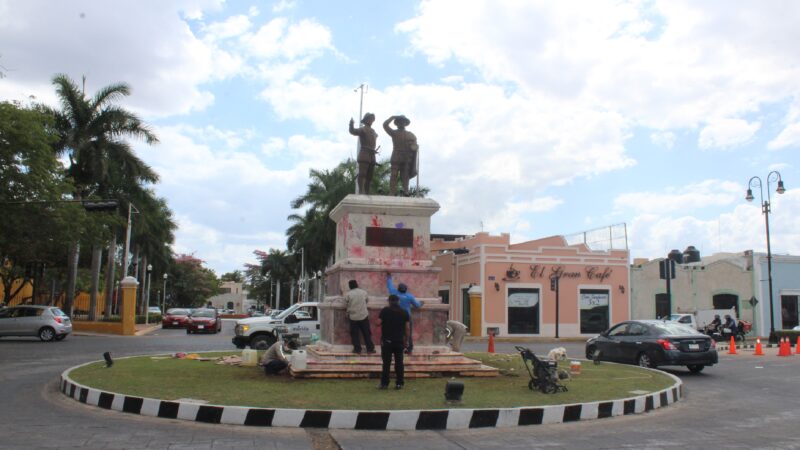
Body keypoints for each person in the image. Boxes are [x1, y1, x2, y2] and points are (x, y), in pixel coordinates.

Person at [378, 294, 410, 390]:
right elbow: (407, 328)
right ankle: (399, 383)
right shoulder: (404, 312)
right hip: (399, 341)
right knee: (399, 363)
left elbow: (377, 323)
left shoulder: (385, 311)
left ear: (389, 301)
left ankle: (384, 384)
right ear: (398, 301)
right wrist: (406, 340)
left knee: (386, 363)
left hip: (387, 341)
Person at [386, 273, 422, 353]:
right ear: (406, 290)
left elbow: (389, 285)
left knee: (397, 332)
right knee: (408, 333)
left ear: (398, 289)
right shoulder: (409, 296)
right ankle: (409, 348)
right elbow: (417, 305)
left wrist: (389, 277)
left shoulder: (394, 293)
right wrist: (421, 303)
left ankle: (397, 348)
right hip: (407, 316)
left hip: (396, 316)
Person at [383, 115, 418, 196]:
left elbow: (414, 145)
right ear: (397, 123)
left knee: (405, 176)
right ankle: (392, 192)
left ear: (405, 123)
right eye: (399, 121)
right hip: (396, 156)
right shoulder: (394, 133)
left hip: (406, 158)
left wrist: (414, 146)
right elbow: (385, 125)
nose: (401, 123)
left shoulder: (411, 135)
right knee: (394, 174)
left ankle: (406, 191)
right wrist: (392, 117)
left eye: (403, 121)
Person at [349, 113, 378, 195]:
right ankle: (361, 191)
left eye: (372, 119)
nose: (371, 120)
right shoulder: (363, 129)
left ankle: (367, 191)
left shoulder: (373, 131)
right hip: (364, 153)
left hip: (372, 155)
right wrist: (351, 124)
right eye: (369, 119)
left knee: (370, 176)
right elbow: (353, 131)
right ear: (365, 120)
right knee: (362, 173)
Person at [343, 279, 375, 354]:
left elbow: (346, 303)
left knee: (355, 334)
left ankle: (357, 349)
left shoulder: (348, 294)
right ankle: (370, 349)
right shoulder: (363, 292)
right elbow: (367, 300)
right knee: (366, 333)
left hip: (353, 316)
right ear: (357, 285)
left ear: (350, 286)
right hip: (363, 315)